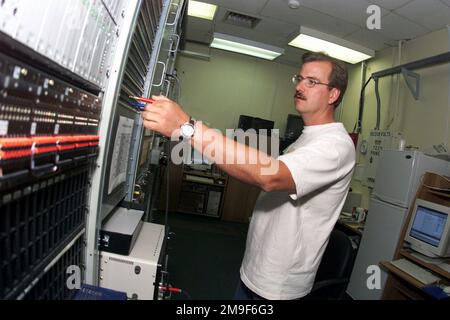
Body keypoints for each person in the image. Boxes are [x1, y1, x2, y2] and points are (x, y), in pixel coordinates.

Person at [141, 52, 356, 300]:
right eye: (300, 78)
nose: (299, 86)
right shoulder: (309, 137)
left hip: (278, 286)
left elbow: (271, 177)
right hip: (256, 270)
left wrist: (188, 128)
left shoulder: (335, 146)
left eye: (312, 82)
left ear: (333, 94)